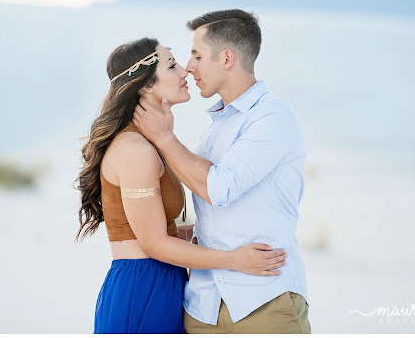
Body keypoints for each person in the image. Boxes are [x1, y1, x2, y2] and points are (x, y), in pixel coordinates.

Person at [75, 37, 289, 334]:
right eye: (172, 65)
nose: (185, 72)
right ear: (145, 85)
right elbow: (153, 244)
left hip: (164, 285)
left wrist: (218, 233)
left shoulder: (149, 142)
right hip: (142, 289)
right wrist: (234, 260)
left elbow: (162, 230)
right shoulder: (133, 149)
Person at [132, 10, 311, 333]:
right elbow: (211, 222)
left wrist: (163, 138)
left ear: (226, 58)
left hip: (263, 300)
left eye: (197, 55)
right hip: (201, 309)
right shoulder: (212, 131)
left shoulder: (273, 117)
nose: (189, 66)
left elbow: (220, 188)